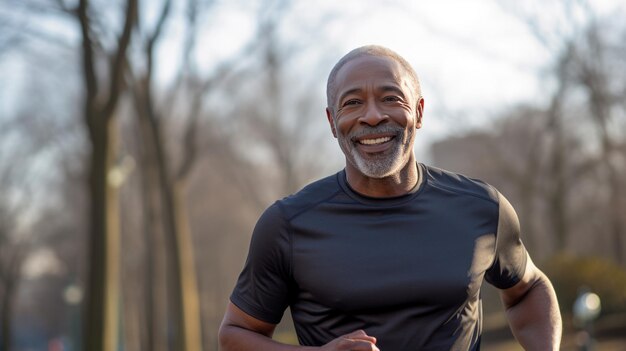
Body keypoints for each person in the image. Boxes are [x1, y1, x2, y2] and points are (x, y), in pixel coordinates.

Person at [218, 45, 562, 350]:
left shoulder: (481, 207)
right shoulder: (288, 225)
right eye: (352, 103)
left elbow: (529, 289)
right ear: (331, 121)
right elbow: (234, 335)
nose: (372, 116)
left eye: (390, 98)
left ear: (419, 112)